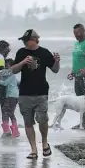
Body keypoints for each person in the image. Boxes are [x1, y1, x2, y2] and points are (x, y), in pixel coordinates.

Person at [10, 29, 60, 159]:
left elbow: (55, 70)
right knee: (28, 122)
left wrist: (57, 61)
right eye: (23, 41)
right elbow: (13, 70)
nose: (25, 43)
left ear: (34, 39)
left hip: (41, 92)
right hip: (24, 92)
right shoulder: (21, 52)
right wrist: (22, 62)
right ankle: (33, 149)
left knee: (42, 119)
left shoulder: (44, 53)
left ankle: (44, 143)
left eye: (26, 40)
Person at [0, 58, 20, 138]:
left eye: (7, 65)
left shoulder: (12, 75)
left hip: (12, 96)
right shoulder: (12, 76)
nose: (6, 66)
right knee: (9, 112)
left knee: (6, 111)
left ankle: (10, 130)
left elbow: (5, 83)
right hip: (13, 96)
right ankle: (12, 130)